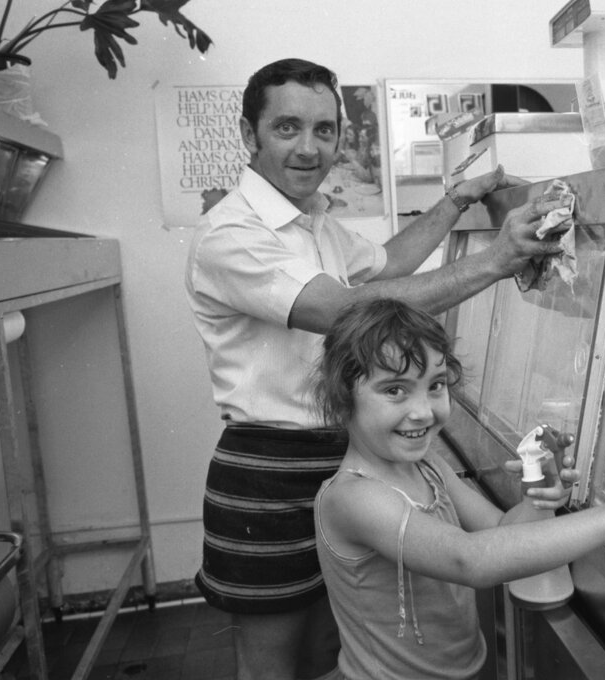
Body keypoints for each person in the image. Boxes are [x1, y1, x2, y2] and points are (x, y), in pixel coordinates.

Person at [184, 57, 574, 680]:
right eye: (287, 128)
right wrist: (498, 259)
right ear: (247, 134)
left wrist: (454, 202)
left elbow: (386, 266)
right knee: (274, 665)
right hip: (271, 470)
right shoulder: (229, 234)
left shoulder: (317, 224)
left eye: (325, 130)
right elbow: (342, 309)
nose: (309, 148)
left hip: (347, 454)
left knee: (331, 650)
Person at [313, 298, 605, 680]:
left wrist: (537, 493)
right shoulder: (353, 497)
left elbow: (500, 530)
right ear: (342, 400)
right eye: (395, 390)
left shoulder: (427, 467)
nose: (423, 411)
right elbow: (469, 559)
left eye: (436, 385)